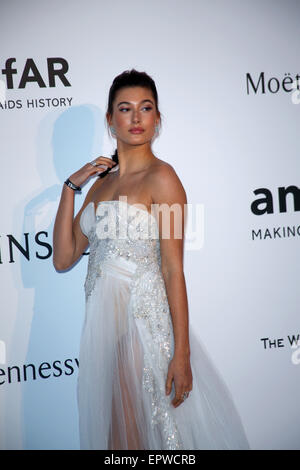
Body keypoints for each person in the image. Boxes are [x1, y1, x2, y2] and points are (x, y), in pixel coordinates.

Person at [53, 69, 250, 450]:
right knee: (121, 442)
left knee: (129, 442)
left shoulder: (164, 178)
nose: (137, 118)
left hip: (141, 327)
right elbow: (63, 258)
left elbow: (173, 269)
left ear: (158, 119)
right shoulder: (100, 185)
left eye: (146, 108)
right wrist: (70, 187)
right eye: (125, 109)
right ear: (111, 121)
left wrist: (182, 354)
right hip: (104, 339)